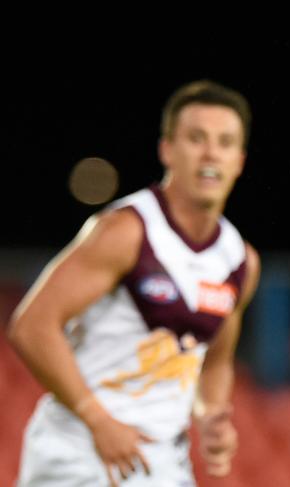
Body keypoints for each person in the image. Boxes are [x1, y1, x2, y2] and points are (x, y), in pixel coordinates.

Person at [8, 79, 260, 486]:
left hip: (162, 461)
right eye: (197, 138)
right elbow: (32, 325)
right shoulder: (124, 231)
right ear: (167, 149)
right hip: (80, 452)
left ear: (240, 160)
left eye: (225, 142)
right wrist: (97, 419)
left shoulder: (239, 260)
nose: (212, 152)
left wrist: (212, 415)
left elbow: (215, 359)